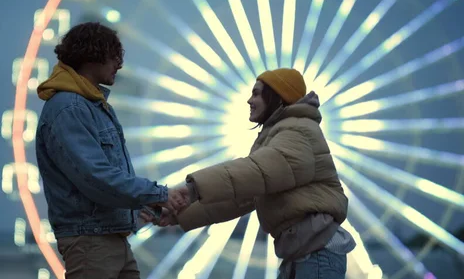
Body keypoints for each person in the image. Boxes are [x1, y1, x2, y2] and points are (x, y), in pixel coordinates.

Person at [143, 68, 356, 279]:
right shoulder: (278, 136)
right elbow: (242, 196)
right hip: (303, 254)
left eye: (256, 93)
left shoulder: (298, 131)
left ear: (277, 96)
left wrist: (193, 189)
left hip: (316, 253)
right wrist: (179, 215)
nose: (249, 100)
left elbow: (253, 172)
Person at [35, 21, 184, 279]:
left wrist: (141, 210)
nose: (120, 64)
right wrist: (156, 194)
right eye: (115, 56)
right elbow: (95, 176)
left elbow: (101, 179)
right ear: (93, 56)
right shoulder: (68, 109)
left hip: (111, 236)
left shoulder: (93, 106)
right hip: (90, 241)